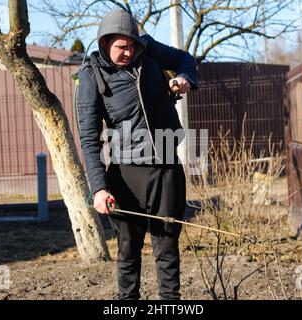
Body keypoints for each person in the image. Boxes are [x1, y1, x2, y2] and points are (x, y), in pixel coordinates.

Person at [75, 9, 197, 300]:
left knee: (167, 247)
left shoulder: (149, 49)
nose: (128, 52)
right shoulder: (92, 76)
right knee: (128, 251)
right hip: (125, 174)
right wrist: (99, 189)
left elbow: (185, 59)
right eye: (121, 47)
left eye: (131, 45)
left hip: (167, 168)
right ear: (105, 43)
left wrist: (184, 78)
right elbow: (89, 138)